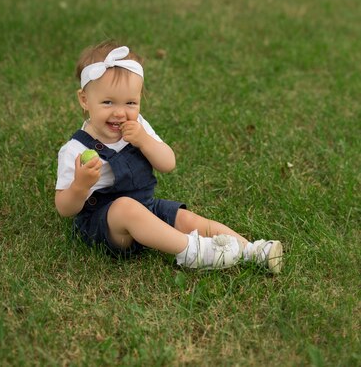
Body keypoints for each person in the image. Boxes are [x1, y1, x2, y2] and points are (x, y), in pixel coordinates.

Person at [55, 40, 283, 273]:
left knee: (187, 219)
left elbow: (167, 164)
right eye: (108, 102)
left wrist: (144, 140)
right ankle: (193, 252)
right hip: (106, 228)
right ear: (84, 100)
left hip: (147, 208)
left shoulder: (139, 127)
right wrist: (80, 186)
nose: (120, 112)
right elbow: (64, 208)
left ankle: (250, 251)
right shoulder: (75, 150)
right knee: (124, 207)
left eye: (131, 102)